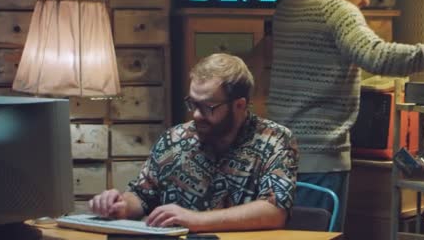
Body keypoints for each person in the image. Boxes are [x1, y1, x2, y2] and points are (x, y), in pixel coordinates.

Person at [267, 0, 424, 232]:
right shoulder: (338, 11)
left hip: (279, 155)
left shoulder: (288, 7)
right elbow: (376, 56)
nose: (366, 0)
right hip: (321, 156)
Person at [89, 53, 298, 232]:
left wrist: (195, 220)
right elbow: (143, 195)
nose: (196, 115)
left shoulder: (275, 139)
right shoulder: (175, 139)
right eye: (193, 103)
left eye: (208, 107)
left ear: (239, 105)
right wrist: (120, 206)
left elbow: (274, 211)